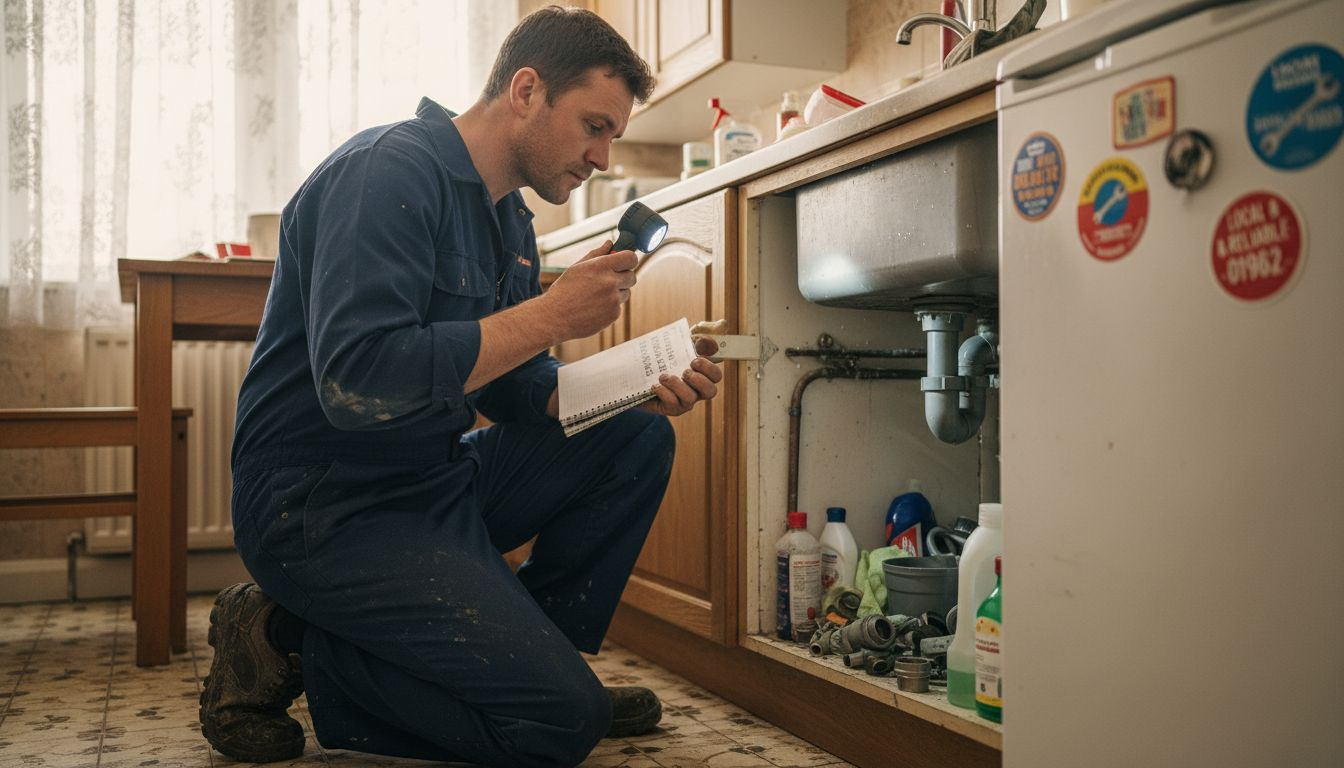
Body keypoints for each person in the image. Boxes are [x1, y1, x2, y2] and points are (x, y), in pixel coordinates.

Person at [198, 7, 724, 767]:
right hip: (322, 505)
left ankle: (518, 667)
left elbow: (512, 391)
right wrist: (548, 315)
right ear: (525, 89)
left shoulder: (509, 222)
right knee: (555, 730)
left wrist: (629, 386)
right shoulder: (386, 172)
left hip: (427, 482)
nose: (603, 157)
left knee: (635, 437)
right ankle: (286, 637)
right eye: (594, 125)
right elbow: (358, 378)